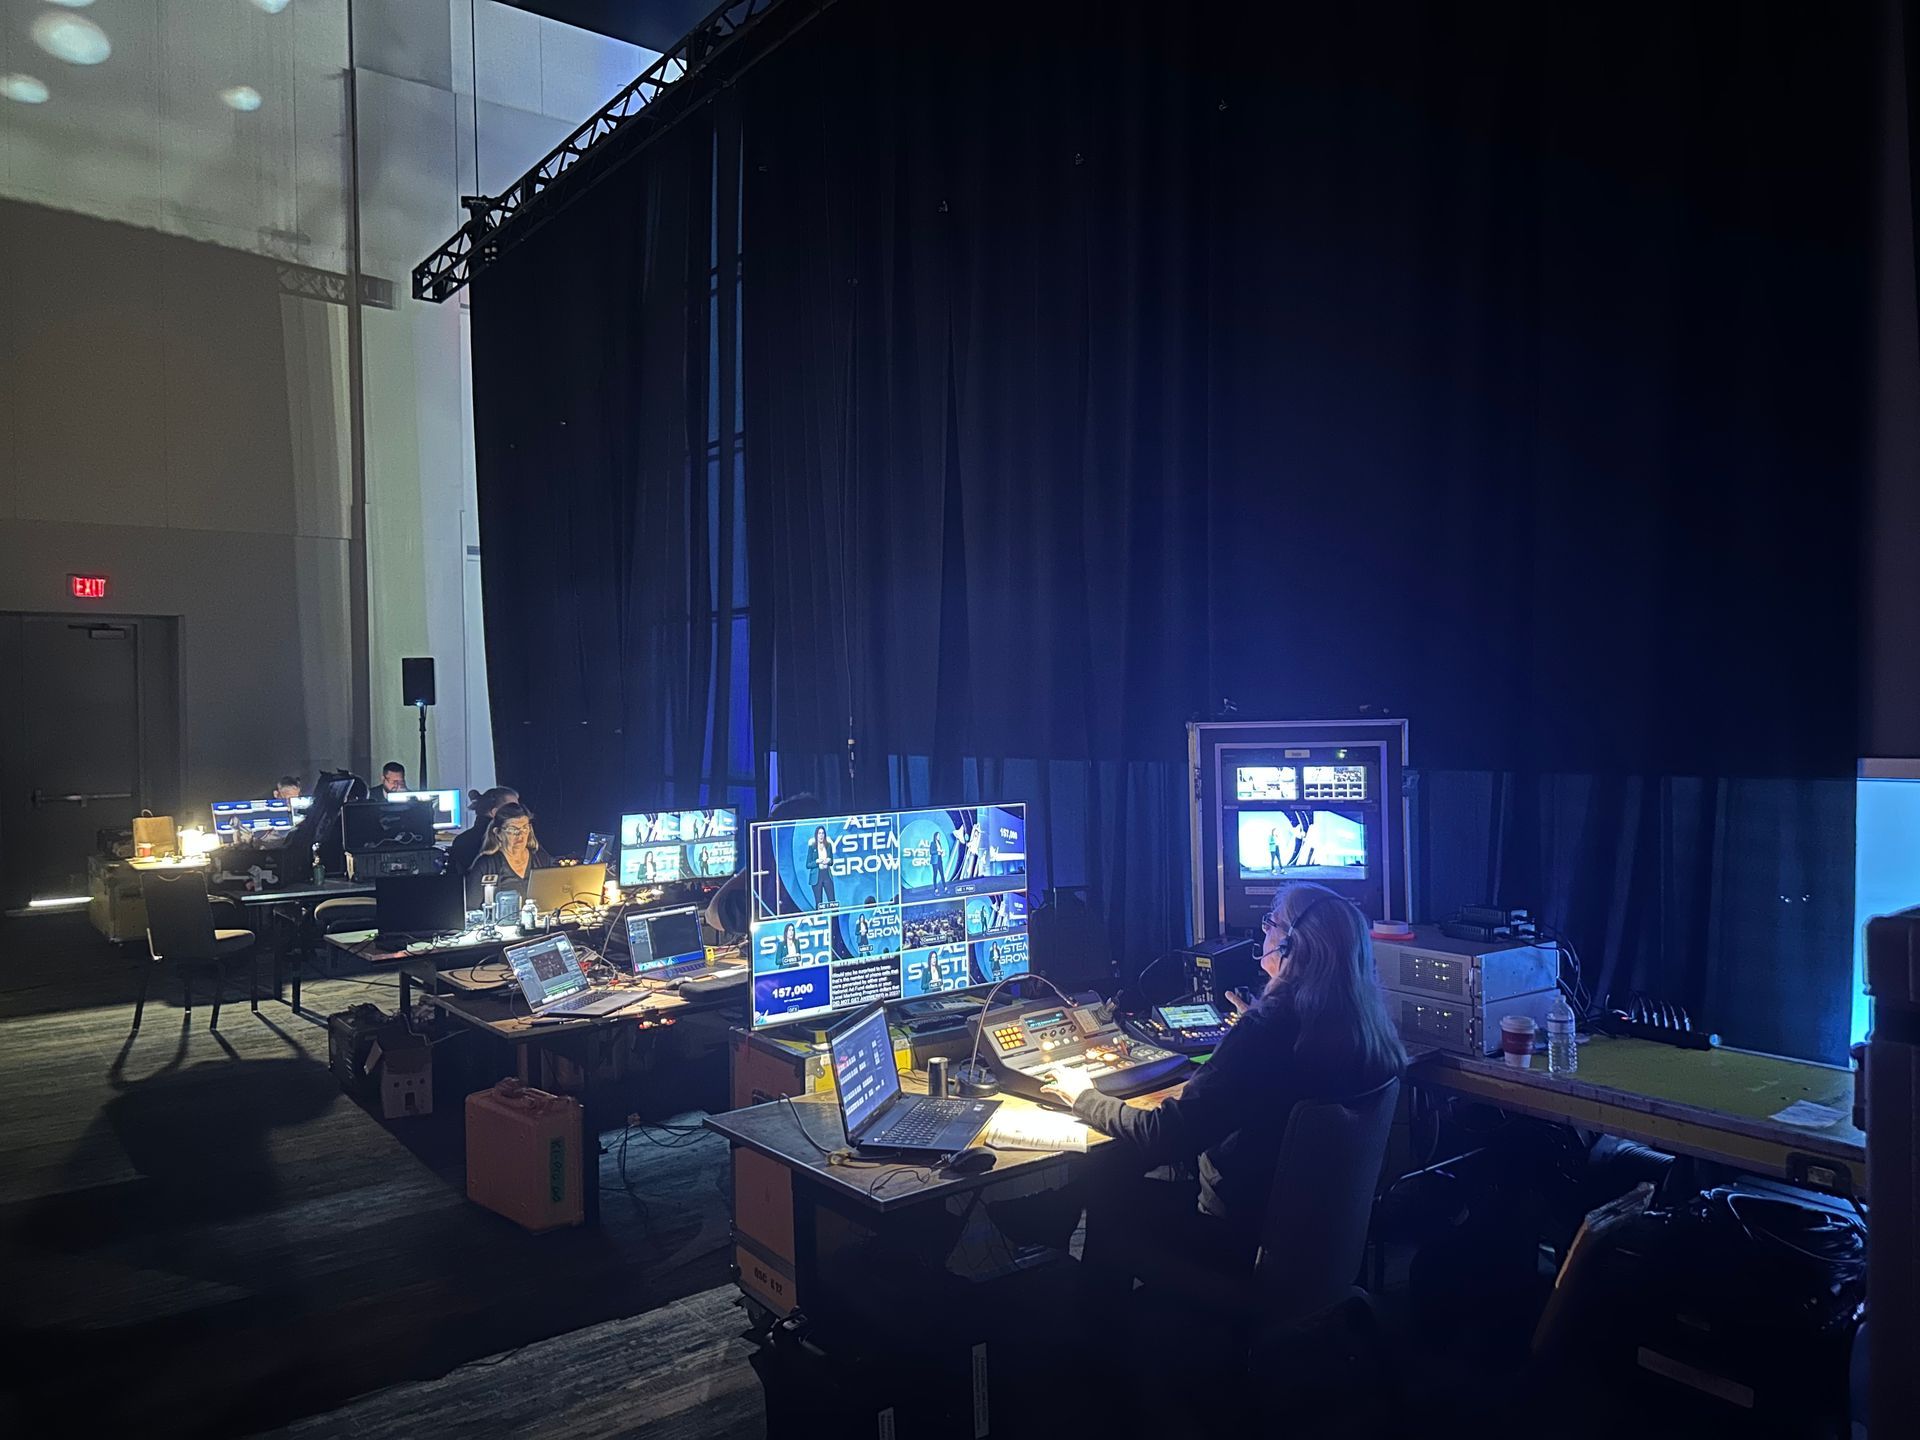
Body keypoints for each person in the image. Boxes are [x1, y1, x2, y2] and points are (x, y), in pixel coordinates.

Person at [1039, 883, 1407, 1286]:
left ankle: (1103, 1337)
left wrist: (1083, 1097)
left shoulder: (1266, 1033)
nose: (1264, 932)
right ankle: (1054, 1213)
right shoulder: (1368, 1028)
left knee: (1109, 1188)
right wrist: (1251, 1027)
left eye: (1272, 923)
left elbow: (1165, 1133)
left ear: (1291, 946)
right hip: (1314, 1244)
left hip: (1237, 1244)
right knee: (1116, 1164)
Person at [464, 802, 552, 910]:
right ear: (498, 833)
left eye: (524, 828)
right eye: (512, 830)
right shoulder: (486, 865)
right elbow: (470, 909)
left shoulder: (541, 859)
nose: (520, 835)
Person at [448, 786, 517, 876]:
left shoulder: (461, 840)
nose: (519, 813)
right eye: (513, 808)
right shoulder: (508, 839)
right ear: (495, 812)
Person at [806, 824, 837, 908]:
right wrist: (817, 861)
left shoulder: (828, 845)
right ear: (816, 835)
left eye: (823, 833)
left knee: (832, 902)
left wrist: (829, 860)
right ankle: (820, 920)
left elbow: (831, 862)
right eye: (819, 833)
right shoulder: (812, 847)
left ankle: (835, 920)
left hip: (827, 875)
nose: (821, 835)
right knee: (819, 903)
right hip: (817, 877)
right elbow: (808, 864)